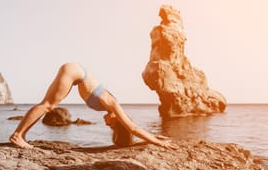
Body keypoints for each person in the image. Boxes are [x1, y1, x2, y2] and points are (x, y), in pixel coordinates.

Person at [9, 63, 178, 150]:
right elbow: (132, 128)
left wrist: (153, 137)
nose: (106, 123)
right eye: (111, 124)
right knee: (47, 105)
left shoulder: (110, 107)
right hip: (76, 72)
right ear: (117, 120)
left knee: (48, 105)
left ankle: (20, 135)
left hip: (75, 73)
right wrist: (158, 142)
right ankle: (18, 136)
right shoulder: (113, 105)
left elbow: (132, 130)